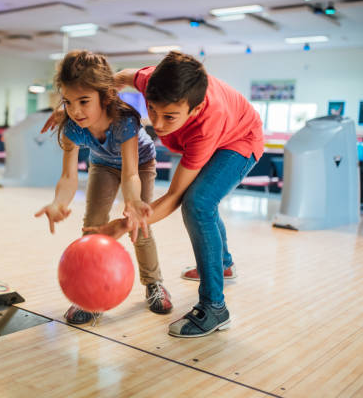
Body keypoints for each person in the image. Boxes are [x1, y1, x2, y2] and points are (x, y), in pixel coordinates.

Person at [84, 51, 264, 337]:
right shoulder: (149, 80)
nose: (157, 123)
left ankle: (215, 306)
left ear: (195, 108)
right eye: (151, 109)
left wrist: (122, 225)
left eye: (169, 116)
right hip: (218, 129)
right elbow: (116, 79)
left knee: (198, 202)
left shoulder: (207, 123)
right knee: (204, 200)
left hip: (239, 139)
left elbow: (174, 197)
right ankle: (224, 264)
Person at [35, 50, 173, 325]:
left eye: (84, 101)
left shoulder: (124, 120)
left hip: (140, 164)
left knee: (138, 225)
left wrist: (133, 202)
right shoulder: (72, 126)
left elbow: (131, 172)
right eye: (68, 102)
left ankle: (153, 283)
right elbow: (68, 177)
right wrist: (58, 202)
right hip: (102, 164)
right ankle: (91, 295)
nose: (75, 110)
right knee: (93, 227)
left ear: (104, 96)